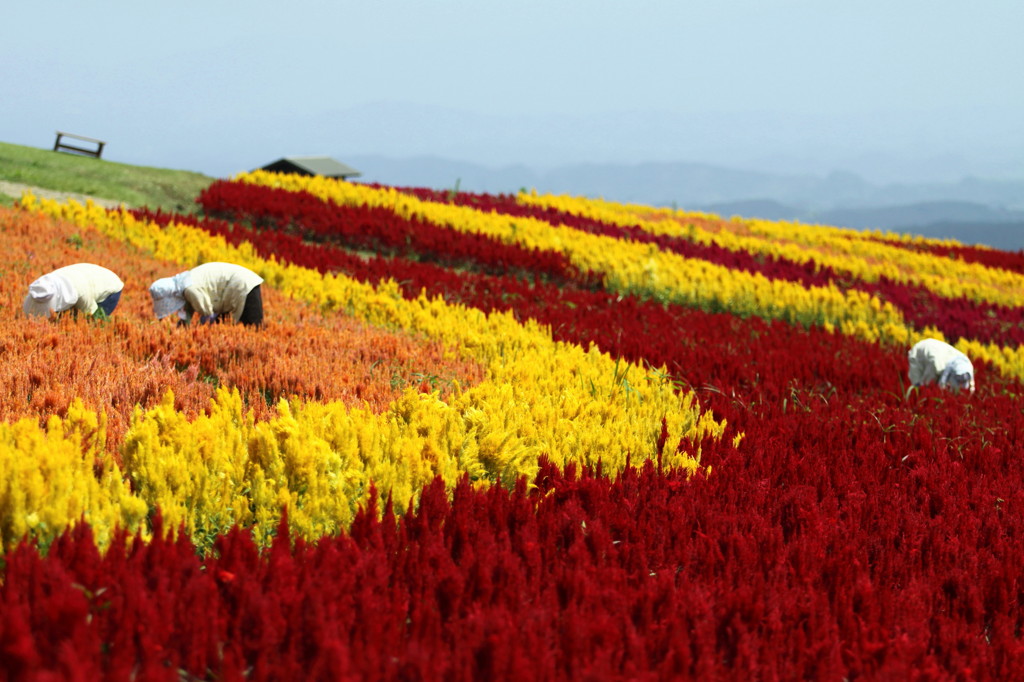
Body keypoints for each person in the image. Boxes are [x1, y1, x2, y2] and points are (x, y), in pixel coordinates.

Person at [149, 262, 264, 327]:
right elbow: (188, 311)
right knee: (224, 330)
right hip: (231, 292)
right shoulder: (184, 283)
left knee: (252, 329)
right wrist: (184, 324)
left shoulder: (189, 289)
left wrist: (203, 327)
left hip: (243, 287)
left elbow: (207, 311)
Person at [23, 263, 124, 319]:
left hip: (110, 287)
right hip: (84, 276)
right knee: (63, 319)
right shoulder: (46, 284)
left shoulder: (81, 293)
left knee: (85, 322)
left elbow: (90, 316)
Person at [907, 338, 975, 393]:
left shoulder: (967, 365)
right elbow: (927, 384)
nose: (960, 383)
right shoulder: (936, 366)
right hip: (920, 352)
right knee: (917, 387)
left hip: (937, 349)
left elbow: (970, 385)